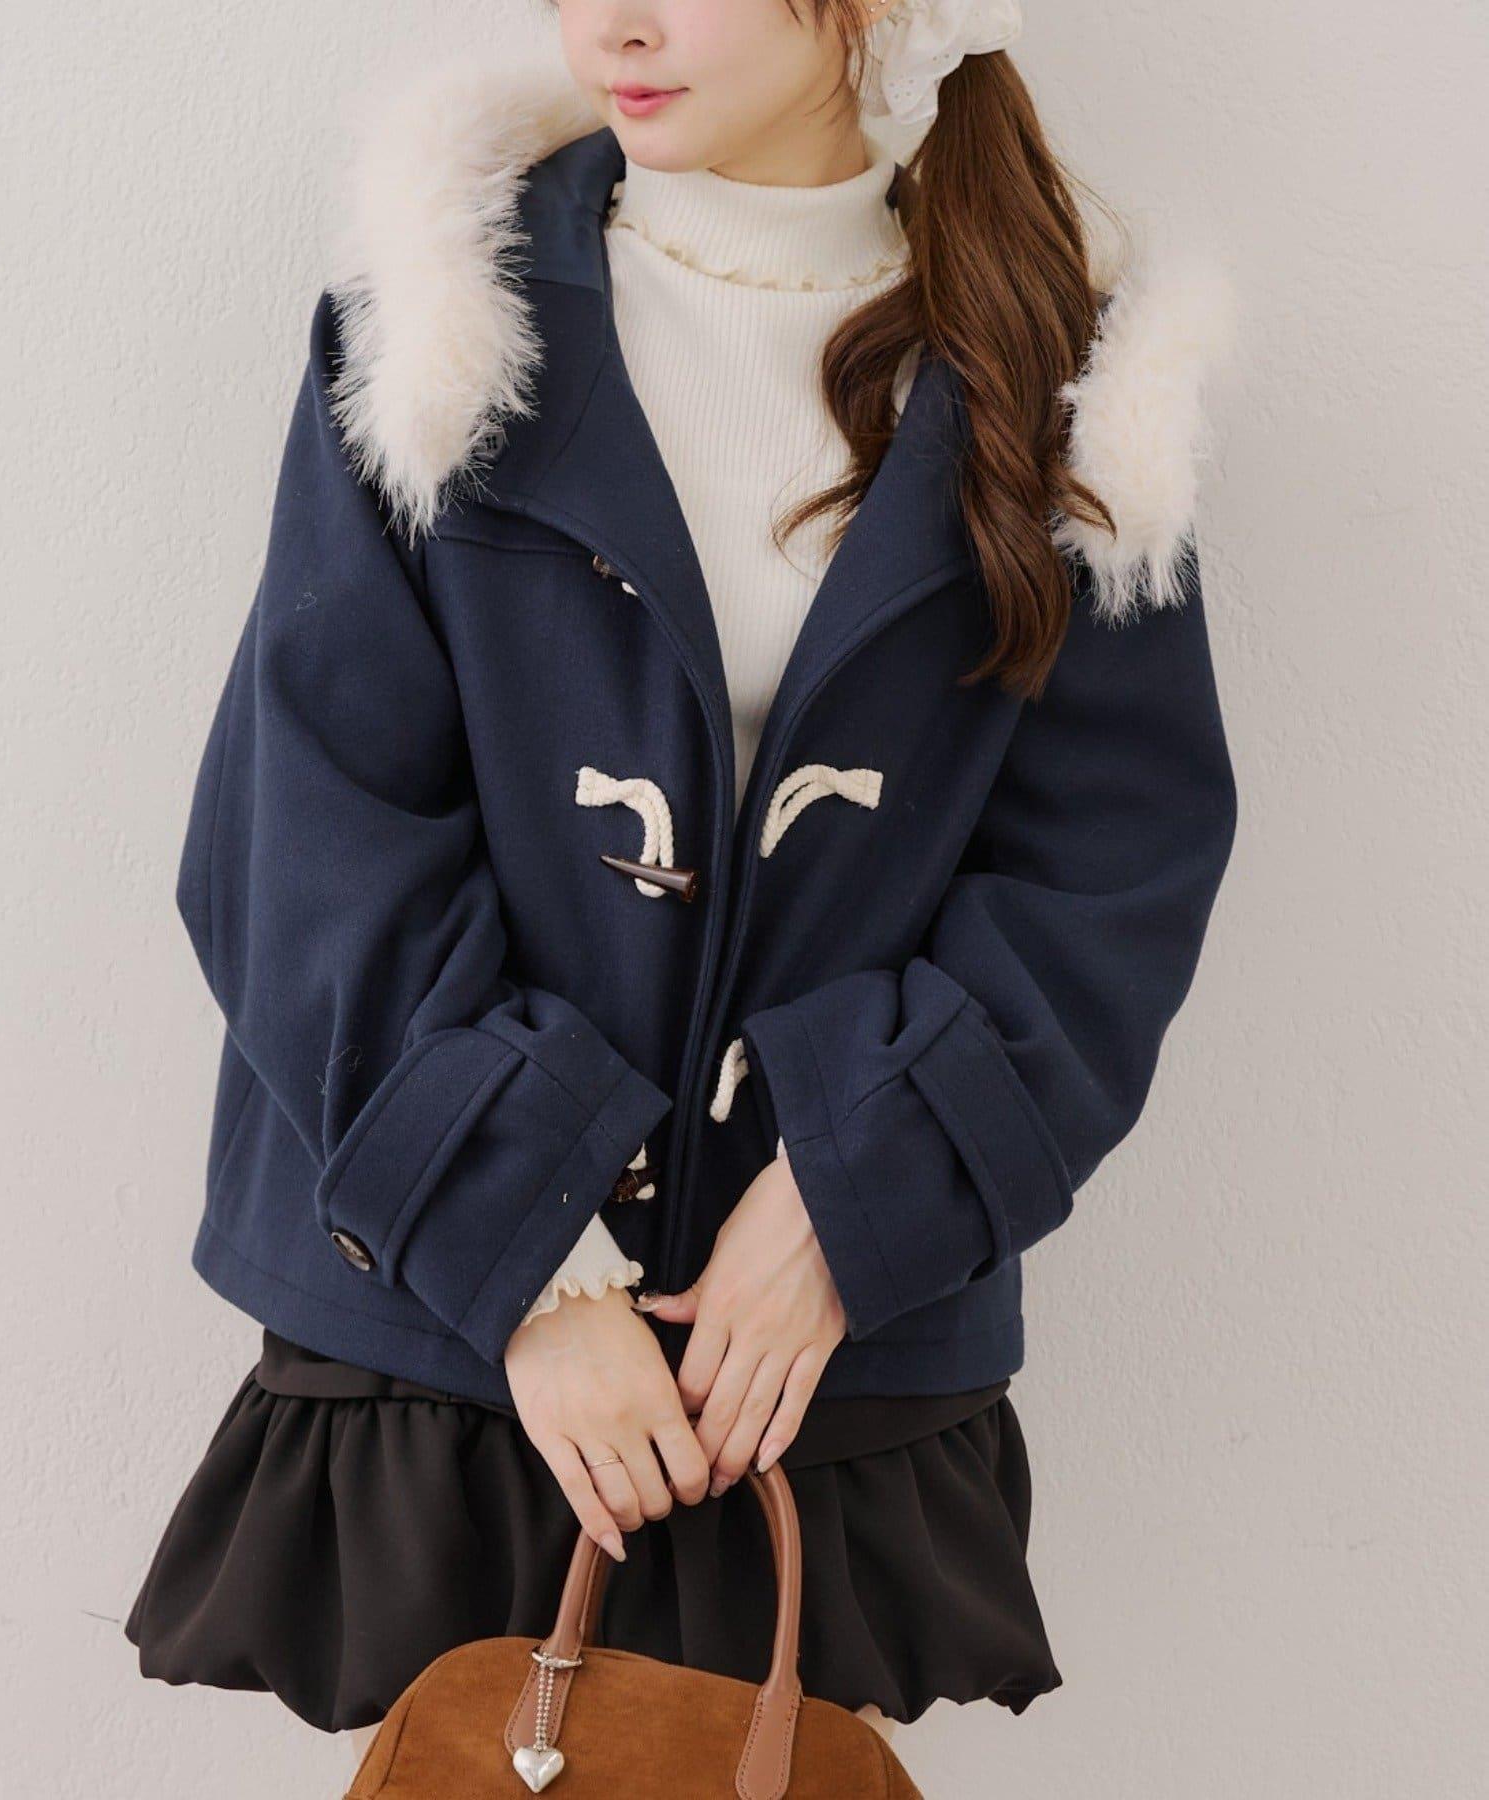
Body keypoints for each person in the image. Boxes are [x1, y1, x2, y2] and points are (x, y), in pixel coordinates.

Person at [125, 0, 1237, 1775]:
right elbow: (302, 835)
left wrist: (848, 1206)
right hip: (457, 1323)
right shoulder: (446, 316)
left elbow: (1110, 864)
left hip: (811, 1349)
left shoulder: (1066, 374)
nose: (616, 25)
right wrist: (537, 1272)